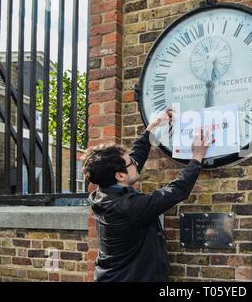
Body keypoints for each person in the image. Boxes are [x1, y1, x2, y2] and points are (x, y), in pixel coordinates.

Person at [82, 109, 210, 282]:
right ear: (120, 176)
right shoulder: (128, 207)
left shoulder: (104, 192)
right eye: (131, 163)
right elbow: (176, 191)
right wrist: (197, 156)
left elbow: (136, 157)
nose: (135, 163)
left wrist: (154, 125)